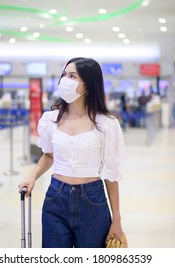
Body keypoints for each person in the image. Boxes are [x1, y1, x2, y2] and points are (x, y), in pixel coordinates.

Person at [18, 57, 125, 248]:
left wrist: (116, 219)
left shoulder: (106, 124)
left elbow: (111, 175)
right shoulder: (51, 120)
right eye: (64, 75)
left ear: (88, 85)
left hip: (92, 200)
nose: (64, 80)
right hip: (56, 197)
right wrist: (32, 177)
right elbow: (48, 155)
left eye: (72, 76)